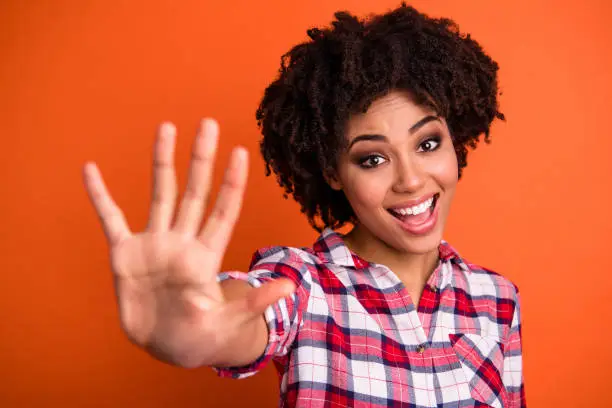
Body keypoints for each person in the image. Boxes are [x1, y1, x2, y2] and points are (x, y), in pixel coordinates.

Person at [83, 3, 524, 407]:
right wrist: (196, 330)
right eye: (372, 158)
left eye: (428, 143)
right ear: (333, 172)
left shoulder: (497, 300)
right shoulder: (302, 284)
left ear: (455, 142)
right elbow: (245, 312)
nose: (410, 179)